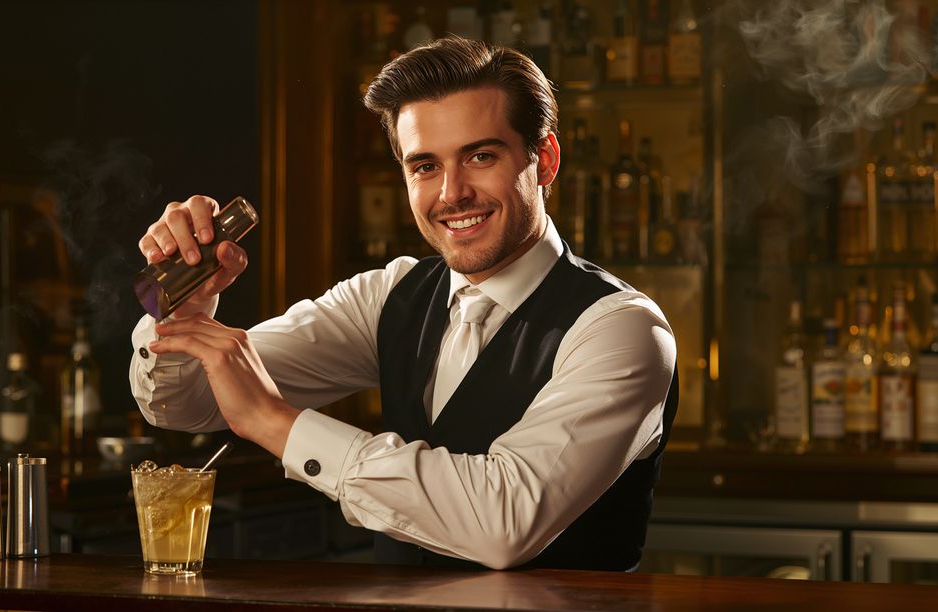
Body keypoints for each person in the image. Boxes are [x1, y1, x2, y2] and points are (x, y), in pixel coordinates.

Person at [129, 36, 677, 571]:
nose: (452, 193)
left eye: (480, 156)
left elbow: (505, 523)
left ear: (546, 159)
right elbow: (189, 403)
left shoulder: (620, 330)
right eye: (425, 167)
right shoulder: (389, 297)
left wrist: (274, 421)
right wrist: (183, 311)